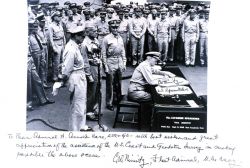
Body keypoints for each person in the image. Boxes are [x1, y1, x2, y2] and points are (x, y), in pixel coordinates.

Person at [59, 26, 92, 131]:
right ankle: (75, 130)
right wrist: (61, 82)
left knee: (82, 103)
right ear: (76, 36)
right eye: (82, 36)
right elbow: (67, 69)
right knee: (77, 105)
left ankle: (81, 126)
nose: (83, 38)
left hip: (80, 76)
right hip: (76, 78)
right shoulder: (71, 49)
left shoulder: (75, 46)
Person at [101, 18, 126, 111]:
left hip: (119, 60)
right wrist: (106, 66)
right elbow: (103, 53)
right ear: (110, 28)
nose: (115, 29)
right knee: (110, 84)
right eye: (113, 28)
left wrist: (124, 62)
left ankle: (118, 99)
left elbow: (123, 50)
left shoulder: (120, 37)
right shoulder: (106, 38)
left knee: (118, 82)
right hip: (110, 61)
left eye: (116, 27)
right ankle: (109, 102)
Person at [81, 26, 101, 121]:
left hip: (97, 67)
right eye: (93, 31)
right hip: (91, 68)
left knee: (97, 89)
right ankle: (88, 111)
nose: (96, 32)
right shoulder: (84, 44)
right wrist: (88, 75)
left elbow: (98, 53)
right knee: (91, 90)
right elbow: (84, 60)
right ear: (88, 32)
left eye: (96, 30)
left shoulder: (96, 40)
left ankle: (95, 108)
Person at [48, 11, 66, 81]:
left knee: (62, 61)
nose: (60, 17)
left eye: (60, 16)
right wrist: (53, 48)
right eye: (58, 16)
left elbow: (63, 35)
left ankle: (60, 74)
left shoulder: (60, 25)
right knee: (56, 62)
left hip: (61, 44)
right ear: (54, 17)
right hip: (56, 44)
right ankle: (54, 76)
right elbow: (51, 38)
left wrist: (64, 44)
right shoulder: (51, 26)